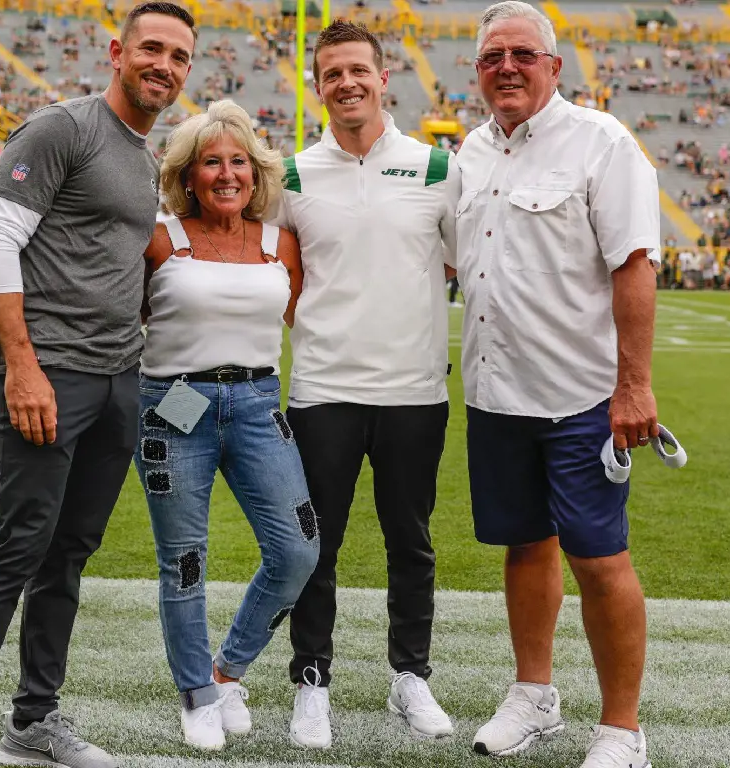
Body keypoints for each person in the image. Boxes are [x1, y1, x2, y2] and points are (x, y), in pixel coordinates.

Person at [0, 4, 197, 768]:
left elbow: (123, 262)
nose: (165, 66)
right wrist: (22, 365)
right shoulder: (60, 129)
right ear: (117, 51)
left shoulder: (146, 156)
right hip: (49, 374)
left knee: (68, 554)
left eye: (179, 57)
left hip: (118, 378)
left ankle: (33, 718)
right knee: (14, 550)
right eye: (152, 48)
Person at [455, 4, 660, 767]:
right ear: (475, 71)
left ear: (553, 65)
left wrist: (634, 386)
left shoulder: (601, 142)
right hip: (496, 393)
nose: (506, 66)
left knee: (601, 559)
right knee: (523, 546)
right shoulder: (471, 151)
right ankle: (534, 695)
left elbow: (633, 266)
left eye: (522, 54)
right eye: (491, 56)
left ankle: (621, 730)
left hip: (580, 396)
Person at [270, 19, 460, 749]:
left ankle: (410, 676)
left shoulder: (438, 167)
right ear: (318, 88)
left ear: (385, 79)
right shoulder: (291, 175)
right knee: (318, 544)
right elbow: (282, 279)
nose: (345, 83)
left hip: (414, 390)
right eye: (331, 74)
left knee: (410, 541)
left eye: (358, 70)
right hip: (323, 390)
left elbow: (464, 263)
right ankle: (311, 678)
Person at [135, 99, 318, 752]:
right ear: (187, 175)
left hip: (257, 404)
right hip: (174, 404)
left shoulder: (280, 242)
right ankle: (195, 693)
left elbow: (308, 321)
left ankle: (226, 670)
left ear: (256, 172)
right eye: (211, 162)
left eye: (237, 161)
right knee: (184, 562)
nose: (226, 173)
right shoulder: (162, 237)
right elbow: (121, 316)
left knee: (297, 550)